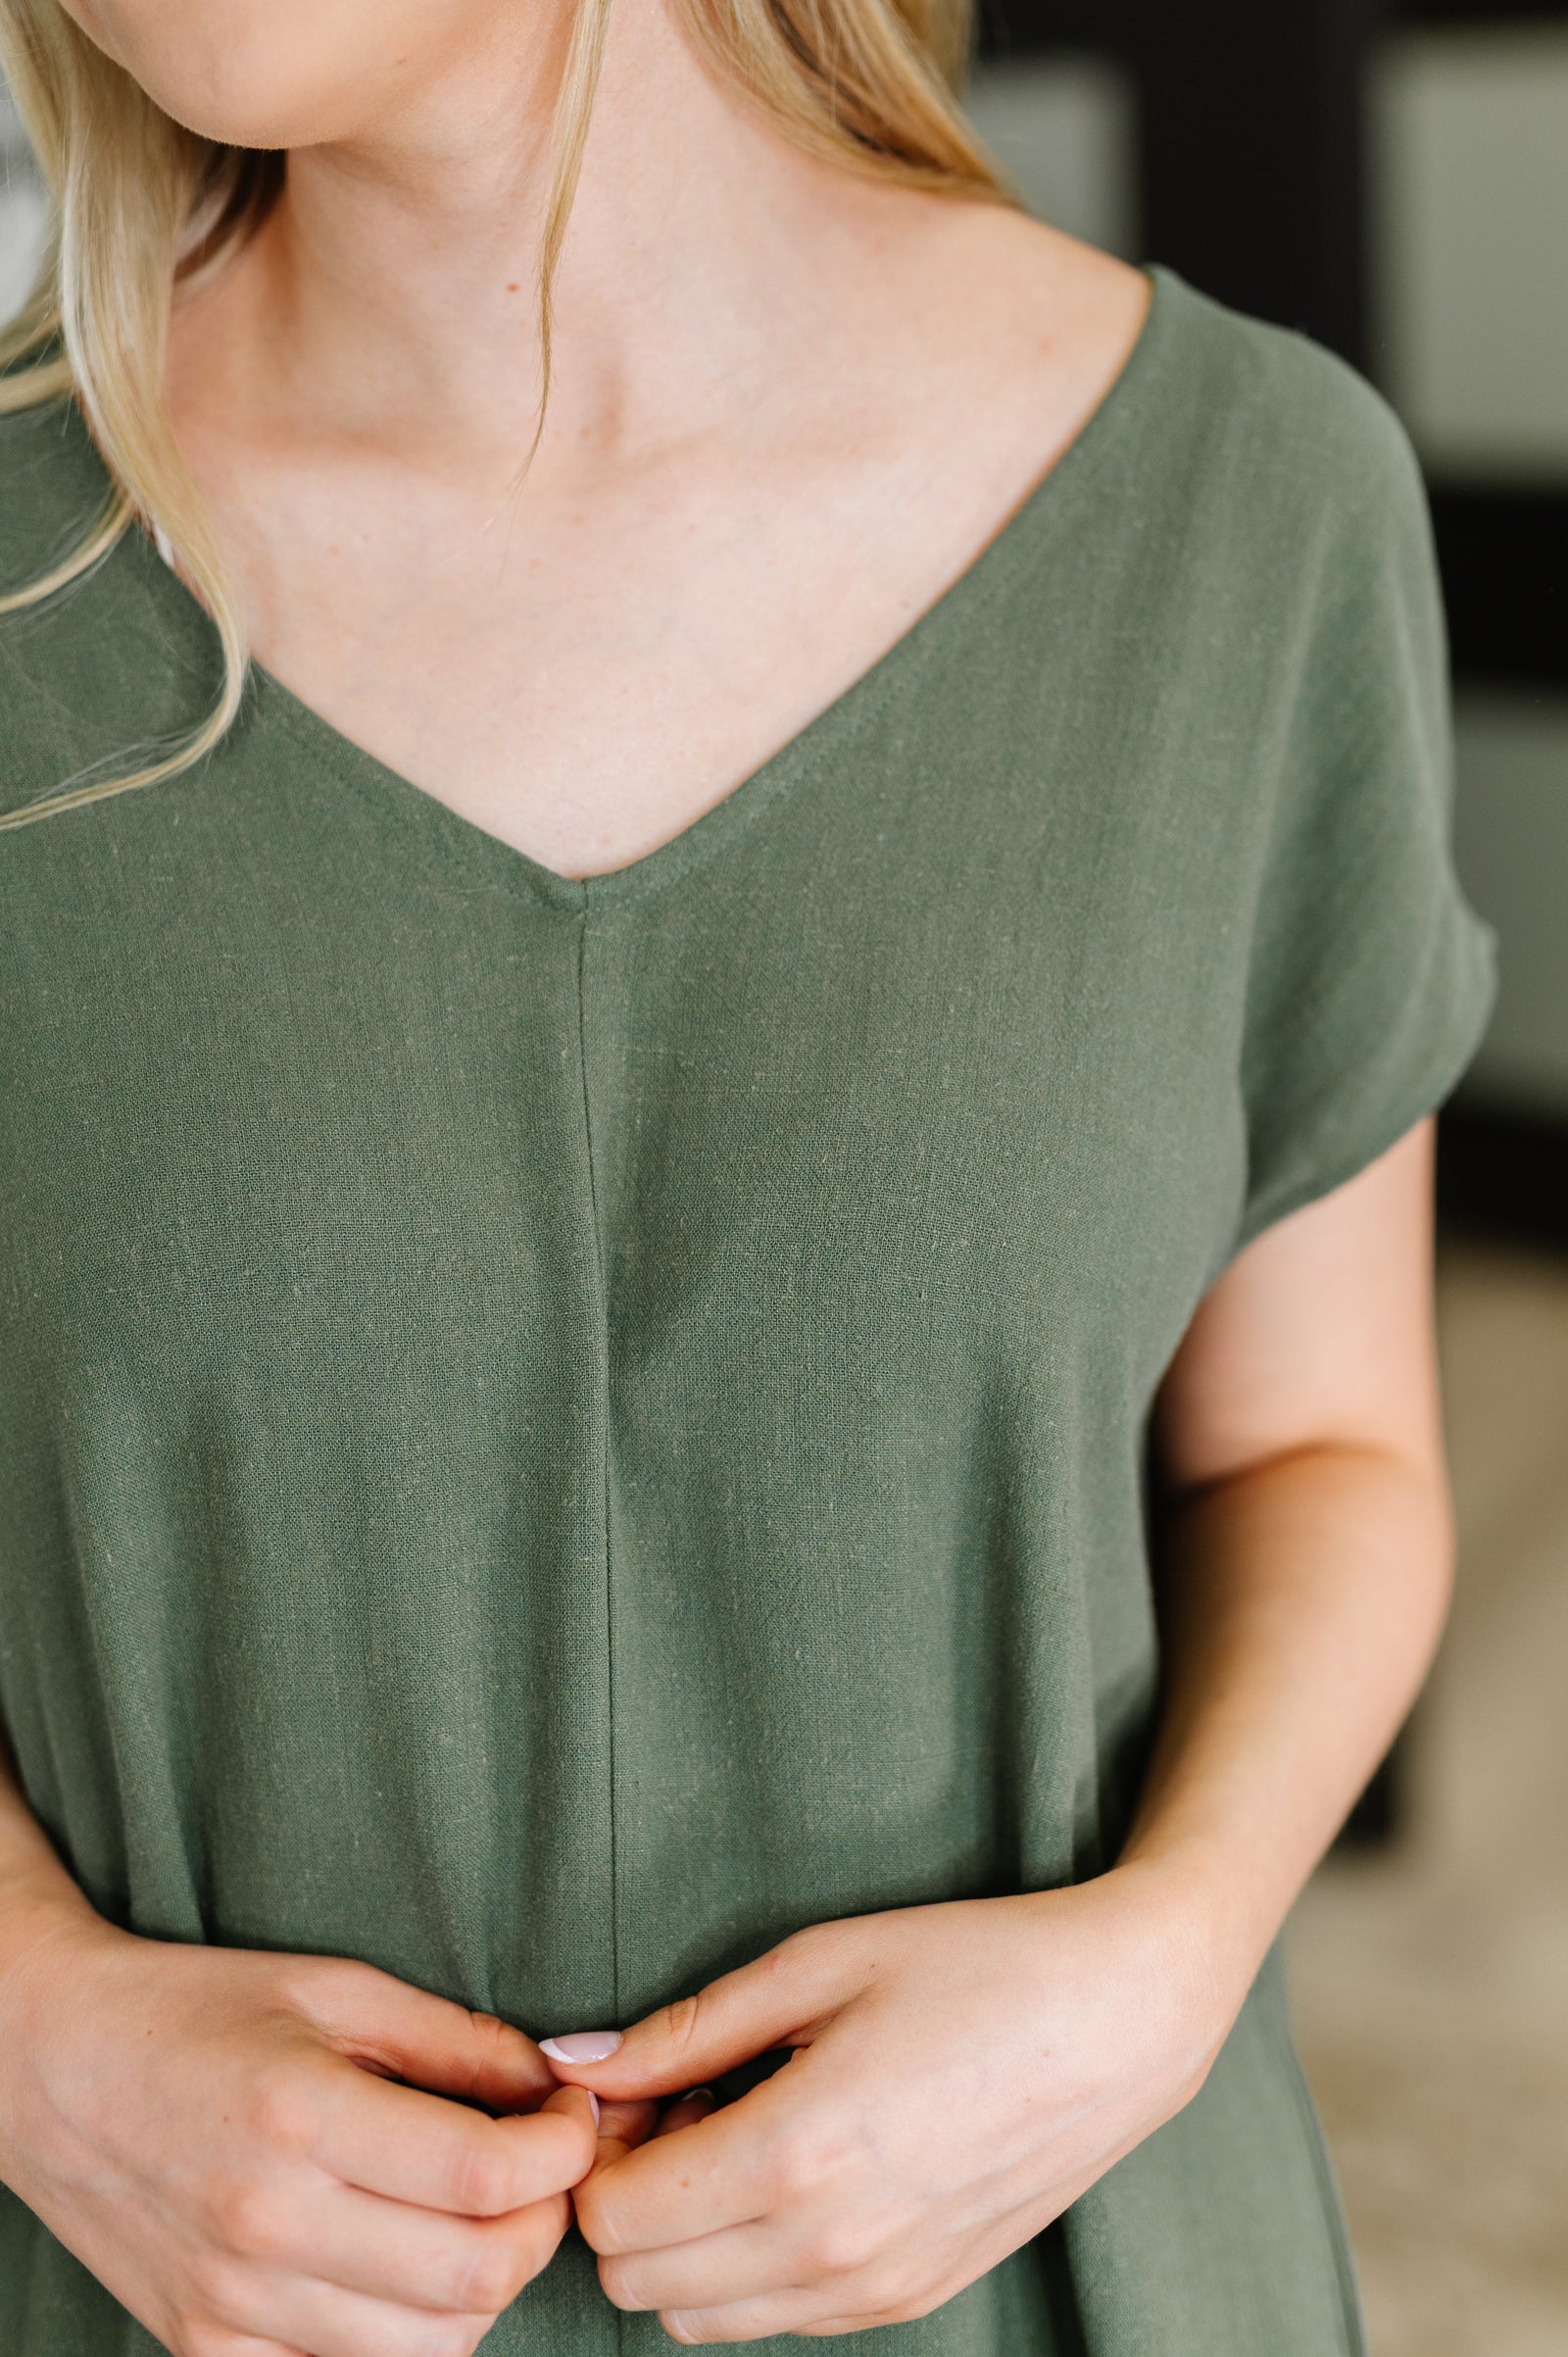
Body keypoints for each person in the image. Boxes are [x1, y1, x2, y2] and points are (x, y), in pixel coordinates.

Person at [0, 0, 1494, 2348]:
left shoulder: (1253, 502)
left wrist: (1163, 1960)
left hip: (1061, 2270)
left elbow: (1312, 1443)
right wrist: (30, 2035)